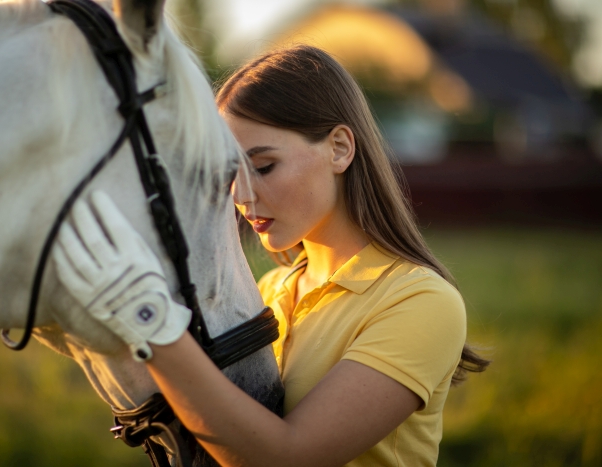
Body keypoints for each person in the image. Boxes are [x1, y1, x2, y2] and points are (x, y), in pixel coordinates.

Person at [53, 45, 489, 467]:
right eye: (231, 175)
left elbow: (288, 457)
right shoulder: (269, 291)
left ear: (339, 148)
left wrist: (147, 317)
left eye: (262, 167)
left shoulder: (420, 301)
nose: (240, 197)